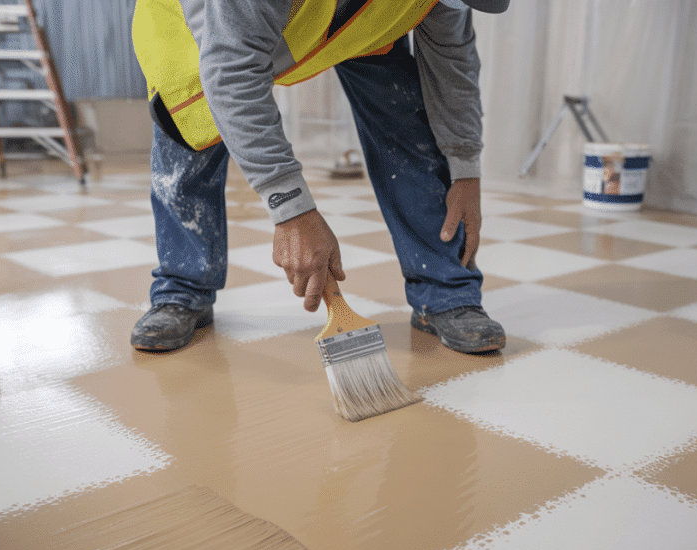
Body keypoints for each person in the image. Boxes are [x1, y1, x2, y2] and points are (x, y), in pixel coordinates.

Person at [129, 0, 509, 354]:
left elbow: (451, 61)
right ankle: (182, 288)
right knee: (189, 124)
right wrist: (291, 211)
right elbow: (231, 70)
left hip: (349, 19)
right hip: (200, 26)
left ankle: (445, 292)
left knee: (406, 114)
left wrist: (465, 170)